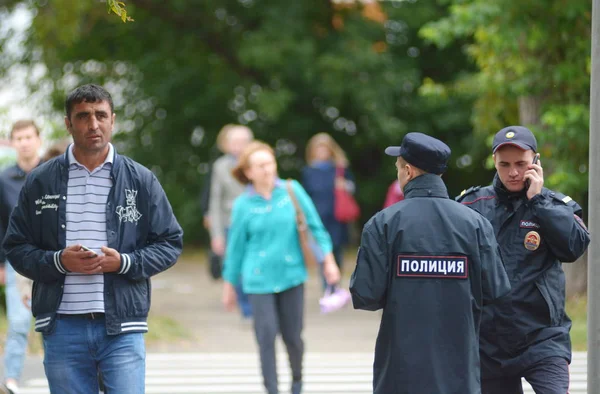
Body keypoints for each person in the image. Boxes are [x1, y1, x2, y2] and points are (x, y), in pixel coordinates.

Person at [2, 84, 183, 394]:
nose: (93, 124)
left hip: (122, 327)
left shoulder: (139, 179)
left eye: (101, 115)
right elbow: (16, 247)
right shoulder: (41, 180)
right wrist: (59, 261)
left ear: (112, 120)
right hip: (61, 328)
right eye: (83, 116)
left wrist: (124, 263)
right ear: (68, 123)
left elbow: (170, 242)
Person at [350, 132, 511, 394]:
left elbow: (366, 295)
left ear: (409, 171)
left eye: (398, 168)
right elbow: (496, 290)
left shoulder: (383, 224)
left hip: (400, 374)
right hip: (458, 371)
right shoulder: (475, 224)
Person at [456, 126, 591, 394]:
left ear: (536, 161)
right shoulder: (471, 205)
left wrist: (538, 201)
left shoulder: (555, 204)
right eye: (504, 165)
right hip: (488, 344)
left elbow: (574, 247)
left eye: (521, 163)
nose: (513, 172)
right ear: (494, 162)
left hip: (542, 339)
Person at [222, 141, 341, 394]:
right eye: (260, 165)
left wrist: (328, 261)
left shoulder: (291, 190)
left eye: (270, 163)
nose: (268, 169)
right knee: (265, 338)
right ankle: (272, 390)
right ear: (248, 172)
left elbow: (316, 228)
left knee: (293, 338)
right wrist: (229, 285)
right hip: (258, 280)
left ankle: (296, 384)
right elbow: (235, 249)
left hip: (291, 276)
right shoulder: (244, 204)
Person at [0, 120, 43, 394]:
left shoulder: (52, 171)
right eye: (19, 138)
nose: (24, 142)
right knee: (18, 322)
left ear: (38, 139)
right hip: (17, 260)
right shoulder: (3, 179)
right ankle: (11, 380)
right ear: (13, 143)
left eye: (28, 137)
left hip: (51, 259)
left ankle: (60, 376)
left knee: (52, 323)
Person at [209, 124, 254, 319]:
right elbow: (215, 201)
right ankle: (247, 309)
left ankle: (259, 305)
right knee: (237, 267)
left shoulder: (258, 161)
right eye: (235, 142)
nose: (239, 146)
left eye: (243, 142)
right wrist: (217, 235)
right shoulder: (220, 166)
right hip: (231, 224)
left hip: (257, 222)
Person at [302, 133, 356, 285]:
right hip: (318, 216)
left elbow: (352, 188)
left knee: (337, 250)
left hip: (336, 216)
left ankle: (335, 284)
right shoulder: (309, 171)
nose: (321, 152)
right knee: (322, 250)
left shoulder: (340, 168)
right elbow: (306, 195)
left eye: (324, 149)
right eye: (318, 149)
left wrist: (344, 185)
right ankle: (327, 286)